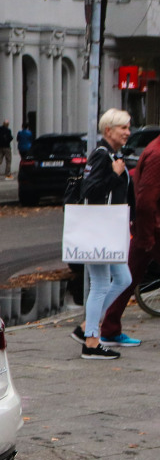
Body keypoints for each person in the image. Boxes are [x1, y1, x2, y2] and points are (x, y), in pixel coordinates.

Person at [71, 109, 134, 360]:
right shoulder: (101, 156)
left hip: (108, 230)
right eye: (123, 128)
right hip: (99, 230)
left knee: (123, 278)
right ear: (108, 131)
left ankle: (87, 327)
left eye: (128, 128)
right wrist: (115, 174)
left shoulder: (111, 155)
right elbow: (90, 190)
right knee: (99, 284)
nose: (128, 132)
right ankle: (92, 342)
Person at [99, 130, 160, 347]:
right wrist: (145, 235)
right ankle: (102, 328)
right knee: (126, 278)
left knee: (127, 278)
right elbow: (145, 200)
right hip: (153, 228)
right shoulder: (157, 154)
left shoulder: (154, 149)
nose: (127, 131)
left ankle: (107, 328)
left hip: (148, 227)